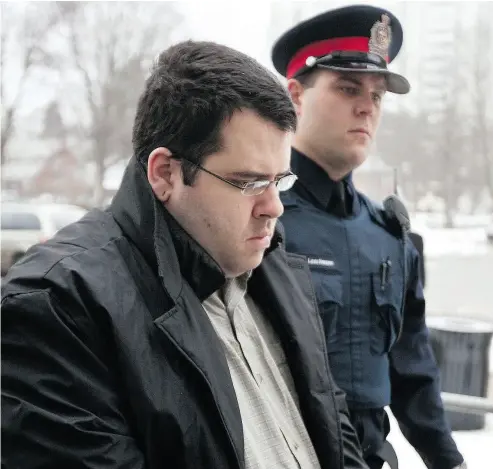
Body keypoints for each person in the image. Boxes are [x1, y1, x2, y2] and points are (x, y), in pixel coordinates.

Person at [1, 40, 368, 469]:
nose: (274, 207)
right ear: (165, 173)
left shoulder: (274, 268)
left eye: (279, 180)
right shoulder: (59, 302)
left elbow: (332, 428)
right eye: (249, 182)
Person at [271, 5, 465, 469]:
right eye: (347, 87)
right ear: (296, 95)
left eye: (377, 95)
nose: (367, 106)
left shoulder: (389, 235)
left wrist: (448, 460)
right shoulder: (261, 217)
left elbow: (412, 368)